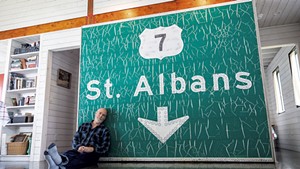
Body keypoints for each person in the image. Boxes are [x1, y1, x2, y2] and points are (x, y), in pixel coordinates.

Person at [44, 108, 110, 169]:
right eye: (100, 113)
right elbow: (75, 139)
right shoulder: (84, 125)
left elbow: (105, 148)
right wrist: (78, 147)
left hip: (91, 154)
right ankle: (57, 161)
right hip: (78, 150)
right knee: (69, 153)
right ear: (96, 113)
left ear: (105, 118)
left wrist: (92, 149)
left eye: (103, 115)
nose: (101, 116)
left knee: (82, 158)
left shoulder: (104, 130)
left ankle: (56, 165)